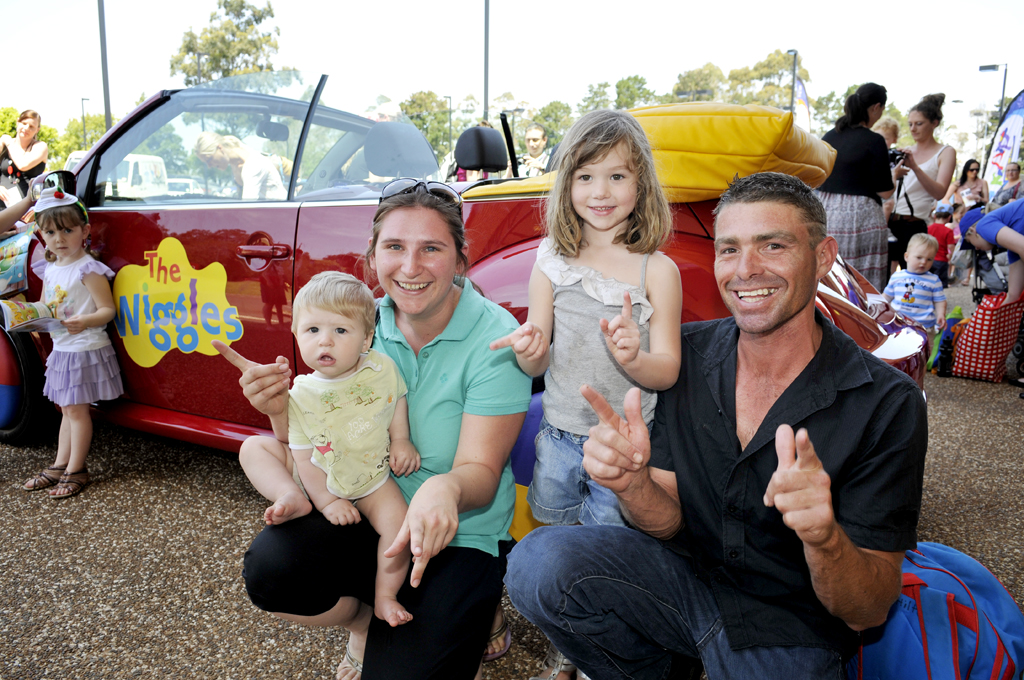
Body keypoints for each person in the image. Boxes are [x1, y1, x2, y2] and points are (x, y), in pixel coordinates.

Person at [505, 172, 927, 679]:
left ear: (821, 257)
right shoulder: (685, 357)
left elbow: (867, 609)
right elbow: (666, 521)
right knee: (538, 564)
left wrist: (823, 537)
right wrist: (633, 484)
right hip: (681, 586)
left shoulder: (887, 404)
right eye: (729, 250)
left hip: (789, 624)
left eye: (772, 245)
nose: (745, 270)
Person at [216, 179, 531, 680]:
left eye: (431, 248)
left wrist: (442, 488)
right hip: (365, 502)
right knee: (273, 571)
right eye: (395, 248)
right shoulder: (351, 321)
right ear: (373, 255)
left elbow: (482, 472)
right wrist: (276, 408)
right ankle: (364, 622)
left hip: (452, 533)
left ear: (460, 258)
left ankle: (478, 602)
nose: (410, 267)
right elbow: (307, 441)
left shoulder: (496, 338)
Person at [490, 108, 681, 680]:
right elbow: (541, 352)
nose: (602, 191)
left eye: (618, 176)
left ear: (641, 183)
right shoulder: (550, 262)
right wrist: (529, 352)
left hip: (624, 449)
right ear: (566, 183)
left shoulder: (656, 270)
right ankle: (568, 642)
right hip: (558, 436)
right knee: (553, 541)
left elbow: (667, 370)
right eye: (586, 176)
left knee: (604, 555)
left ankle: (596, 654)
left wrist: (634, 357)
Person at [235, 271, 421, 628]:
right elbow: (302, 456)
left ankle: (384, 595)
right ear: (296, 334)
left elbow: (396, 399)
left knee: (399, 528)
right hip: (317, 476)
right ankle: (291, 497)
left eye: (340, 331)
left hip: (371, 480)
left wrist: (401, 439)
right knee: (253, 447)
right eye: (313, 331)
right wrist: (326, 501)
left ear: (367, 338)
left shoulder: (381, 369)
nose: (326, 342)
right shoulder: (301, 394)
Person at [21, 187, 123, 498]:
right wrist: (29, 317)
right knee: (66, 410)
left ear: (84, 230)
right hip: (62, 349)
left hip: (84, 348)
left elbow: (107, 309)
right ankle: (60, 464)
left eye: (67, 230)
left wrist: (85, 320)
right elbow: (43, 305)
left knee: (77, 412)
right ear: (41, 234)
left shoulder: (87, 268)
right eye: (50, 232)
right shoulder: (51, 266)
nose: (59, 238)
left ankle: (76, 468)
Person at [816, 83, 896, 291]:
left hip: (826, 214)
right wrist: (895, 176)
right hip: (860, 218)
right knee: (861, 280)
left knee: (830, 273)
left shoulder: (830, 136)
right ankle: (861, 320)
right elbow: (885, 191)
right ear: (876, 107)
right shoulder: (874, 140)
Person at [889, 94, 956, 273]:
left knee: (915, 279)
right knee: (887, 280)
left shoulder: (945, 152)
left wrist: (915, 168)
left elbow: (940, 192)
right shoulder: (906, 151)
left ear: (934, 123)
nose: (913, 128)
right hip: (889, 220)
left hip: (915, 223)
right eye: (910, 124)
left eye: (919, 124)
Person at [883, 232, 947, 342]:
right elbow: (886, 297)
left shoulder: (933, 280)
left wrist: (941, 314)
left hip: (924, 326)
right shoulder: (897, 276)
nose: (923, 262)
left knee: (924, 352)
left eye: (929, 259)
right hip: (898, 324)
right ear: (906, 256)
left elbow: (940, 301)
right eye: (919, 257)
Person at [193, 131, 287, 201]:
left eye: (209, 159)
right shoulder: (237, 164)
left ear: (220, 148)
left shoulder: (252, 165)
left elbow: (246, 208)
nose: (209, 166)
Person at [966, 198, 1024, 308]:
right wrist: (995, 320)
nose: (976, 248)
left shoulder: (983, 225)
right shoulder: (1014, 247)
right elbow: (1013, 296)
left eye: (971, 242)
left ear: (973, 231)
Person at [0, 110, 49, 208]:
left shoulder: (40, 146)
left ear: (37, 130)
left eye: (31, 126)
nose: (26, 128)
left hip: (28, 210)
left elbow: (22, 165)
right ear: (18, 122)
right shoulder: (4, 143)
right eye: (24, 123)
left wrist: (8, 142)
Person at [872, 116, 901, 222]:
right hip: (877, 191)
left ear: (894, 139)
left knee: (889, 204)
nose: (881, 142)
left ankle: (884, 226)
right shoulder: (871, 154)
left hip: (889, 191)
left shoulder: (894, 155)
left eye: (885, 139)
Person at [927, 202, 957, 287]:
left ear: (935, 216)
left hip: (929, 258)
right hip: (941, 260)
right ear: (949, 217)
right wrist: (952, 257)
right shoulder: (948, 231)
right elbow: (951, 246)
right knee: (940, 284)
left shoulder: (928, 228)